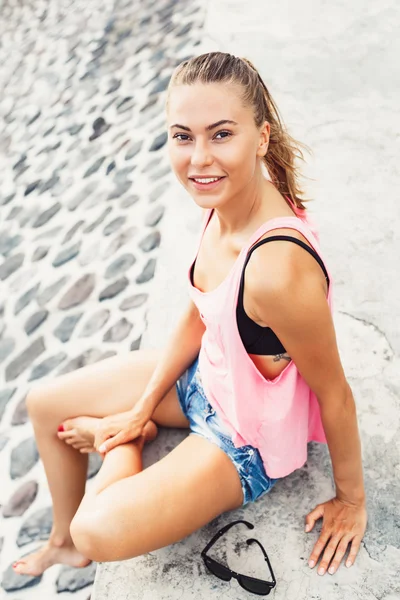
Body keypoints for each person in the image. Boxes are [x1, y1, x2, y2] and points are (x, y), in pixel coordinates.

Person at [12, 51, 367, 579]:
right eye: (183, 136)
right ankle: (64, 543)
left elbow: (335, 391)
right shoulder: (224, 205)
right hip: (206, 377)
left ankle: (123, 453)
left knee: (100, 529)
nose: (199, 159)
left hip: (242, 438)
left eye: (221, 134)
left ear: (262, 137)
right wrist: (142, 405)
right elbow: (202, 313)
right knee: (44, 404)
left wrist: (351, 499)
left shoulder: (277, 269)